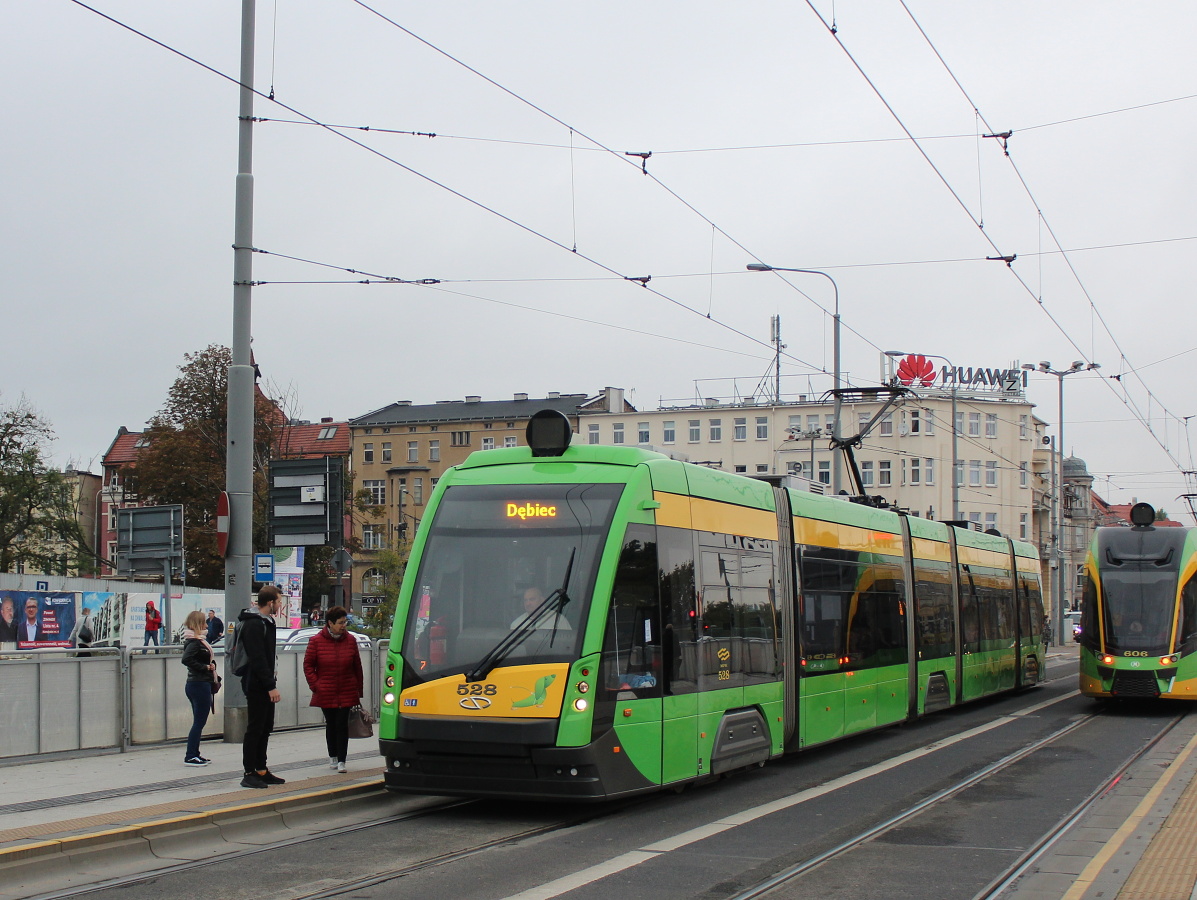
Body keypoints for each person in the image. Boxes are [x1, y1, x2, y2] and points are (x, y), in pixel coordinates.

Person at [303, 606, 365, 774]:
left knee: (342, 724)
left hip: (346, 688)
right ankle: (333, 756)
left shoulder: (350, 640)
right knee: (331, 723)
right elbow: (308, 665)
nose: (343, 626)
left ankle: (342, 760)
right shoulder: (316, 641)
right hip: (326, 689)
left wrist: (358, 689)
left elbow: (357, 666)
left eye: (345, 622)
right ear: (330, 623)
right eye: (340, 623)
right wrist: (316, 685)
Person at [238, 584, 284, 789]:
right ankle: (249, 772)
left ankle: (261, 769)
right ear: (270, 602)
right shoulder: (254, 624)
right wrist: (269, 685)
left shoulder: (266, 622)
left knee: (265, 727)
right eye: (279, 601)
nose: (280, 605)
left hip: (265, 683)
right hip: (257, 684)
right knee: (255, 728)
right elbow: (258, 659)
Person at [180, 609, 217, 766]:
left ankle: (195, 753)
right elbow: (186, 659)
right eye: (203, 622)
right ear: (198, 624)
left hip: (198, 683)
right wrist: (205, 667)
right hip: (199, 683)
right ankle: (191, 755)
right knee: (199, 722)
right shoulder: (195, 642)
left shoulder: (197, 641)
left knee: (199, 721)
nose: (206, 624)